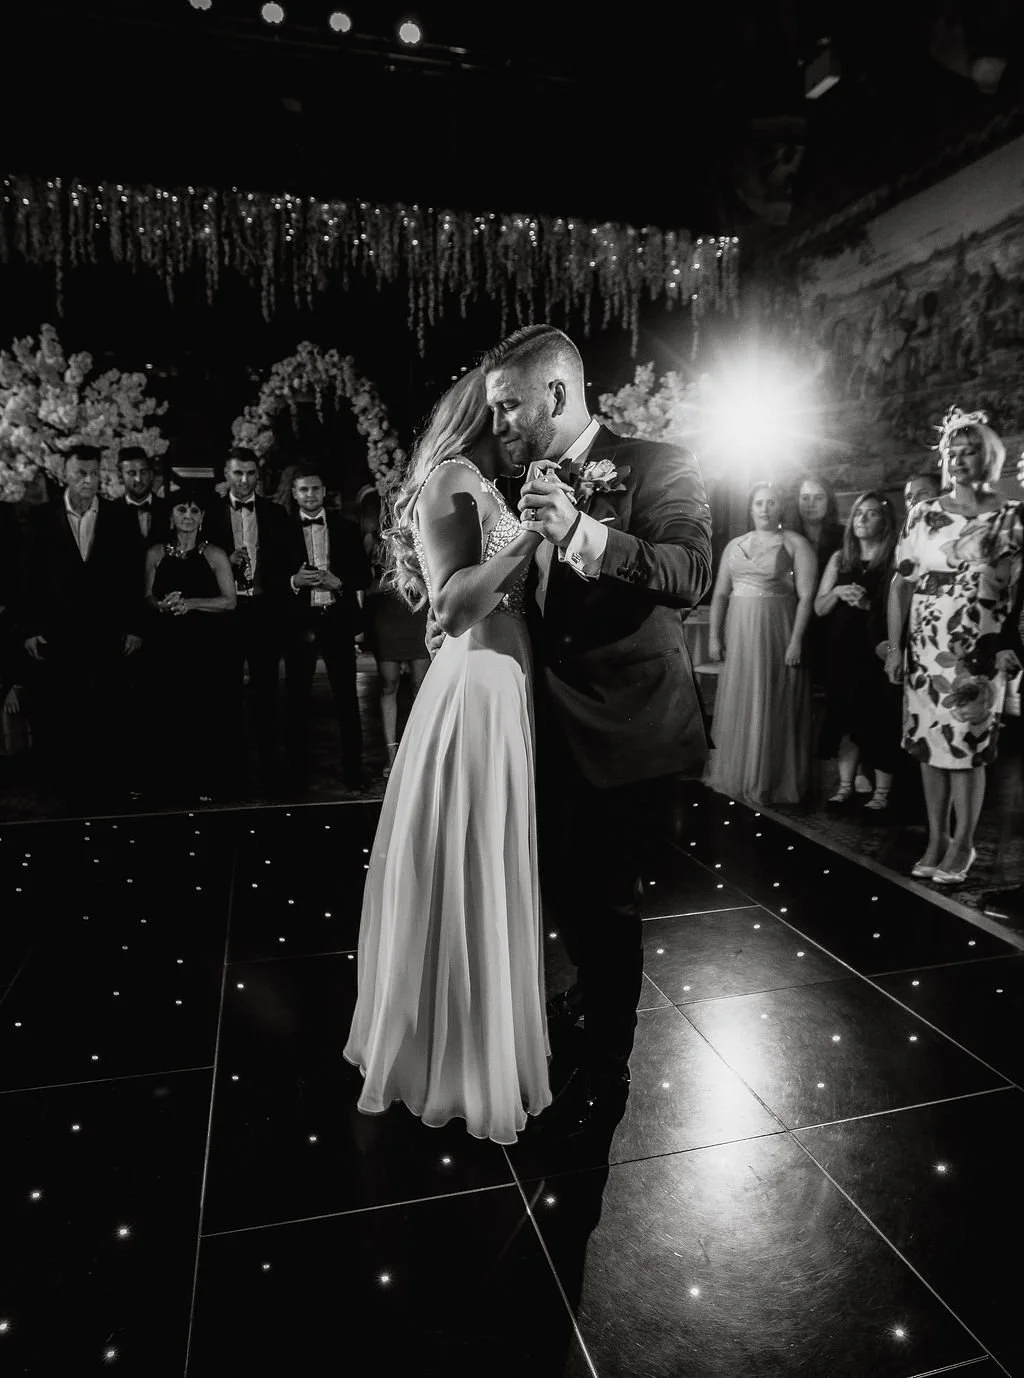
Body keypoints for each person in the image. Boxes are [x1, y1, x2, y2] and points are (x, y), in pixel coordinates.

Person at [493, 324, 712, 1136]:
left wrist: (583, 534)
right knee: (573, 893)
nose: (503, 423)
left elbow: (689, 573)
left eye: (510, 404)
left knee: (610, 902)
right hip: (545, 726)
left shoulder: (659, 463)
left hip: (626, 729)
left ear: (554, 393)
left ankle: (608, 1062)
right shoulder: (516, 479)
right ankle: (588, 994)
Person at [344, 369, 552, 1144]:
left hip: (497, 683)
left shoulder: (481, 484)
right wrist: (532, 534)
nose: (511, 419)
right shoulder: (456, 477)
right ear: (474, 412)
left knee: (477, 864)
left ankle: (464, 1045)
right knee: (468, 866)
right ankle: (456, 1058)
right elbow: (455, 605)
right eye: (499, 407)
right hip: (479, 688)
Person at [885, 407, 1023, 884]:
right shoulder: (923, 513)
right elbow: (901, 584)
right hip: (926, 647)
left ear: (989, 457)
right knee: (929, 745)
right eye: (953, 452)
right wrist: (894, 646)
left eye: (970, 452)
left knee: (966, 746)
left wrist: (1011, 645)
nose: (960, 460)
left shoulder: (1009, 519)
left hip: (978, 650)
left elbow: (1017, 589)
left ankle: (963, 844)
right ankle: (936, 839)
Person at [20, 447, 143, 803]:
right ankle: (63, 787)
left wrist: (135, 627)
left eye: (94, 473)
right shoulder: (41, 516)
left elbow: (133, 576)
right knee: (62, 709)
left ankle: (107, 785)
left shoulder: (119, 516)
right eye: (80, 474)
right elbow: (27, 577)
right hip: (58, 632)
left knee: (109, 707)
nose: (89, 481)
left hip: (108, 631)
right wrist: (29, 628)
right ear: (65, 473)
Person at [705, 482, 815, 804]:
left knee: (774, 697)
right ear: (750, 508)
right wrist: (714, 636)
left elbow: (807, 596)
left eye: (771, 503)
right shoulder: (733, 545)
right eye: (759, 503)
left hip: (777, 628)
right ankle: (741, 773)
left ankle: (770, 778)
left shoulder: (795, 543)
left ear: (780, 507)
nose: (765, 509)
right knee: (743, 695)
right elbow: (721, 594)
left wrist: (796, 641)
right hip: (740, 629)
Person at [203, 447, 291, 790]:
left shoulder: (274, 513)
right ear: (226, 474)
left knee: (267, 692)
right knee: (224, 692)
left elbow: (284, 562)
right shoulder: (209, 514)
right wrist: (224, 559)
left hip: (263, 612)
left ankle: (269, 769)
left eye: (250, 474)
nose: (244, 480)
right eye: (238, 473)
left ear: (258, 476)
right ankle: (230, 771)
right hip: (225, 612)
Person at [143, 489, 237, 802]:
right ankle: (169, 783)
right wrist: (162, 605)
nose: (188, 515)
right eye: (182, 509)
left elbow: (229, 601)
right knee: (167, 712)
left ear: (203, 518)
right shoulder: (155, 552)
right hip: (166, 646)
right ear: (170, 516)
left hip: (206, 648)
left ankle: (208, 782)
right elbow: (146, 596)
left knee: (205, 713)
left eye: (194, 511)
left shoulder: (215, 554)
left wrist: (191, 604)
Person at [282, 466, 371, 790]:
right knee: (297, 701)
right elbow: (271, 575)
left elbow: (364, 576)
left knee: (347, 699)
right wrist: (293, 581)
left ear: (324, 492)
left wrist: (341, 583)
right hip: (299, 624)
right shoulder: (282, 529)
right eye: (303, 490)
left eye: (315, 489)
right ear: (294, 493)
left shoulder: (346, 528)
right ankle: (296, 774)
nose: (309, 495)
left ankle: (353, 771)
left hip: (337, 619)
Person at [814, 491, 901, 811]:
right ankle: (846, 786)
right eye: (858, 513)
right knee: (845, 720)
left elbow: (901, 607)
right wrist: (837, 590)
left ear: (885, 520)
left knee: (879, 721)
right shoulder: (841, 558)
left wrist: (868, 606)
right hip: (841, 652)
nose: (862, 519)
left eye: (872, 513)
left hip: (875, 650)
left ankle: (881, 794)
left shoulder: (894, 558)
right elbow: (819, 608)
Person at [357, 484, 430, 777]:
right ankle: (392, 754)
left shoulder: (422, 534)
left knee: (421, 686)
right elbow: (362, 584)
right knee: (388, 685)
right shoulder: (371, 540)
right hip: (387, 616)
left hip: (415, 613)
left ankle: (421, 753)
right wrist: (391, 583)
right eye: (388, 503)